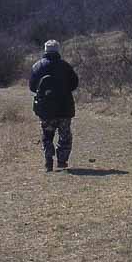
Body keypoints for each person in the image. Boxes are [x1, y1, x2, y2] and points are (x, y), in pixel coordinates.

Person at [29, 39, 79, 172]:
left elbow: (32, 87)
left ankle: (48, 161)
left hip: (46, 109)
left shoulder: (37, 66)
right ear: (58, 50)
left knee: (47, 134)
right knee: (65, 135)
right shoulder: (65, 66)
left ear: (45, 50)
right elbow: (74, 84)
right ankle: (62, 161)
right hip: (65, 107)